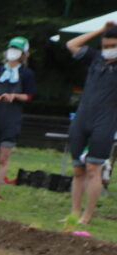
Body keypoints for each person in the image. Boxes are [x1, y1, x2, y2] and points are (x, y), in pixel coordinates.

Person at [65, 22, 117, 224]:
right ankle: (74, 212)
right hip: (82, 118)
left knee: (93, 169)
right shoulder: (95, 58)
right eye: (105, 45)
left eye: (112, 45)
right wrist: (99, 31)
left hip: (105, 121)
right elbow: (72, 44)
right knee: (78, 169)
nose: (108, 49)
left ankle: (87, 215)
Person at [0, 37, 35, 201]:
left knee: (4, 158)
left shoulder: (27, 73)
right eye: (11, 48)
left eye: (17, 49)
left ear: (23, 53)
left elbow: (29, 95)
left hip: (12, 118)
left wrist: (14, 96)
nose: (13, 51)